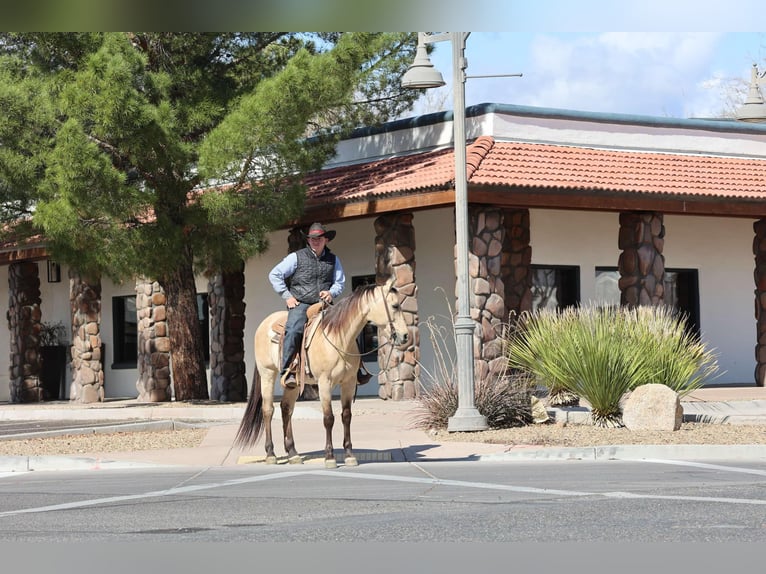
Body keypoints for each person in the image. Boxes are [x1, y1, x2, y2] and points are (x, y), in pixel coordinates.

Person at [268, 222, 346, 389]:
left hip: (324, 304)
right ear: (308, 240)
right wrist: (287, 296)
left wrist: (331, 293)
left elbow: (339, 282)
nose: (315, 241)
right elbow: (275, 274)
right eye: (312, 238)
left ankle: (356, 368)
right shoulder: (296, 257)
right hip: (301, 303)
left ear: (326, 240)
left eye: (319, 238)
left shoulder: (334, 260)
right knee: (294, 329)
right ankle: (287, 370)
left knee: (347, 324)